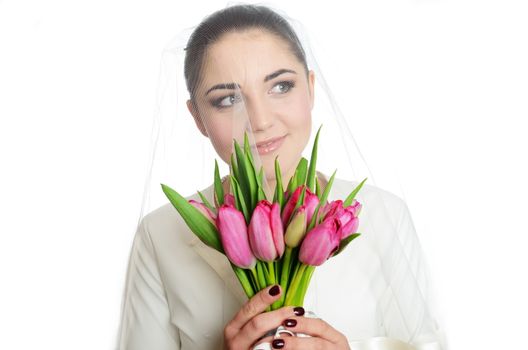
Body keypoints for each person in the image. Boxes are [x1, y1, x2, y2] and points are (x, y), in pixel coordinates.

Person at [116, 4, 446, 350]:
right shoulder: (160, 235)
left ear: (311, 88)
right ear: (197, 117)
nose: (259, 120)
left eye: (281, 86)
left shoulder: (382, 214)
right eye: (228, 99)